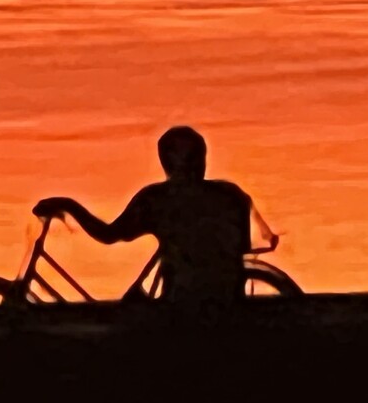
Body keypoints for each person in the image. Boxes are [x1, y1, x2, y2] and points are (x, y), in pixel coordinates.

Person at [34, 126, 252, 307]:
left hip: (182, 301)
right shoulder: (231, 195)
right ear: (202, 159)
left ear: (166, 162)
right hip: (228, 296)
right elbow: (243, 246)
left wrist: (68, 205)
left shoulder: (156, 199)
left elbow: (109, 235)